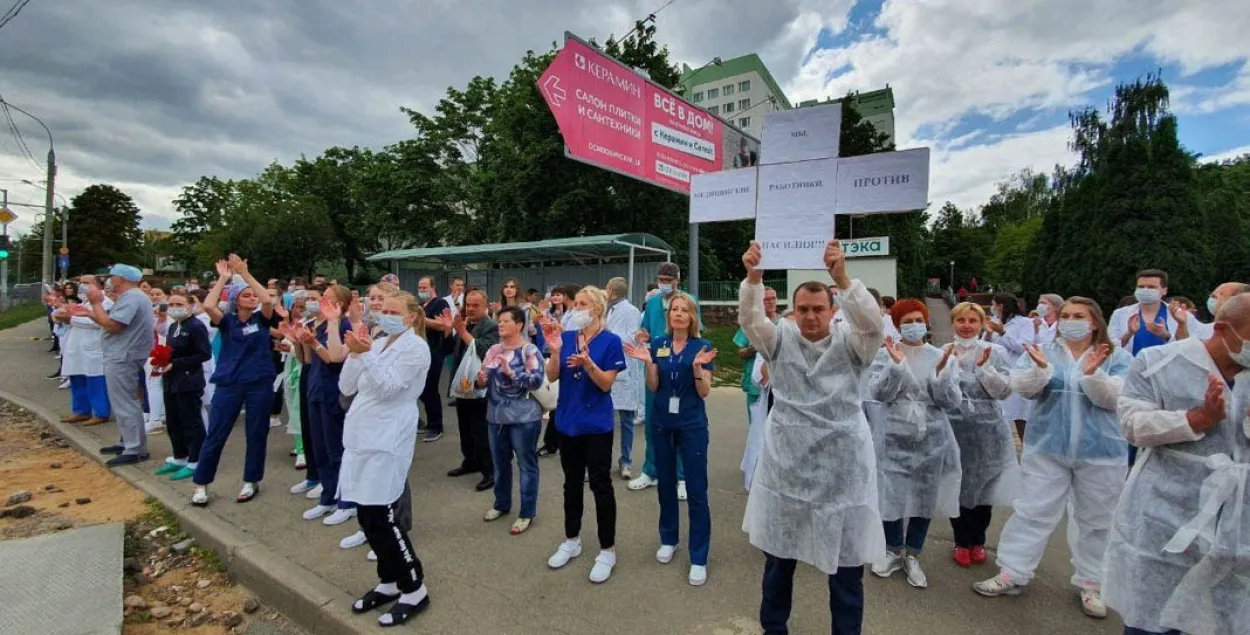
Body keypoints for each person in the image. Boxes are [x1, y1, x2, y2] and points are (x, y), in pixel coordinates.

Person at [738, 238, 884, 635]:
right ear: (793, 311)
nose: (810, 316)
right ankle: (774, 629)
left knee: (846, 572)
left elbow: (874, 326)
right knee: (778, 565)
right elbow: (751, 321)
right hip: (788, 472)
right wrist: (753, 279)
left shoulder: (854, 345)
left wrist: (843, 278)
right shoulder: (779, 340)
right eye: (802, 309)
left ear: (833, 310)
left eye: (819, 309)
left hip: (843, 475)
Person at [973, 297, 1132, 619]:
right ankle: (1013, 572)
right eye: (1066, 315)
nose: (1071, 321)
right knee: (1032, 511)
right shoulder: (1044, 351)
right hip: (1047, 447)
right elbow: (1022, 388)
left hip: (1100, 451)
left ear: (1095, 322)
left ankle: (1092, 583)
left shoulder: (1116, 357)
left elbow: (1117, 397)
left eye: (1079, 316)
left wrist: (1093, 374)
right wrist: (1041, 371)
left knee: (1097, 519)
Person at [1103, 292, 1250, 635]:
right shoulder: (1158, 362)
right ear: (1225, 329)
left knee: (1228, 616)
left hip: (1239, 521)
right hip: (1166, 512)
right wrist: (1198, 418)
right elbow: (1134, 425)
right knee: (1154, 617)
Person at [339, 291, 432, 627]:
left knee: (383, 515)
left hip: (388, 439)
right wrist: (355, 353)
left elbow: (391, 389)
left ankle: (413, 586)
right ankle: (388, 580)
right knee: (366, 515)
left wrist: (365, 358)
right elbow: (348, 386)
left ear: (410, 316)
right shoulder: (377, 344)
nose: (386, 315)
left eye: (394, 311)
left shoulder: (416, 348)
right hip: (362, 437)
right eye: (383, 309)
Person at [867, 299, 963, 589]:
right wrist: (895, 366)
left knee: (924, 497)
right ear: (897, 325)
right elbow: (878, 393)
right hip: (893, 435)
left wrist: (942, 374)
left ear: (926, 321)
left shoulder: (941, 355)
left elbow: (950, 401)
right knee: (890, 494)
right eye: (906, 321)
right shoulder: (886, 354)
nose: (913, 326)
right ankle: (893, 549)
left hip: (931, 438)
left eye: (917, 319)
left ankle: (913, 554)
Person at [624, 292, 717, 586]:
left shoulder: (702, 346)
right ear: (668, 316)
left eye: (684, 310)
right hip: (663, 423)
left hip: (691, 425)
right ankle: (669, 539)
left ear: (692, 316)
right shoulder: (659, 344)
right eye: (674, 309)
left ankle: (699, 556)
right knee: (664, 484)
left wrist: (697, 369)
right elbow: (654, 385)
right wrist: (649, 364)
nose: (678, 314)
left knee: (697, 490)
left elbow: (704, 393)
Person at [542, 286, 626, 584]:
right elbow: (552, 376)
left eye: (583, 304)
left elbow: (605, 385)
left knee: (601, 485)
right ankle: (572, 539)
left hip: (596, 425)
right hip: (568, 421)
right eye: (574, 303)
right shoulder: (565, 338)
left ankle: (607, 549)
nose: (575, 308)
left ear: (598, 309)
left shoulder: (611, 342)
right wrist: (554, 351)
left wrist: (589, 363)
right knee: (571, 483)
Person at [191, 256, 278, 504]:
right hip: (230, 384)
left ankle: (251, 480)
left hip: (259, 383)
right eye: (246, 295)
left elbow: (267, 299)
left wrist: (246, 274)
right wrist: (224, 278)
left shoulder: (261, 320)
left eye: (253, 295)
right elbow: (208, 306)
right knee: (216, 433)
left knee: (256, 433)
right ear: (235, 300)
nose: (252, 298)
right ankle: (201, 483)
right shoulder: (227, 321)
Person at [946, 302, 1020, 568]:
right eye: (961, 320)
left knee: (984, 488)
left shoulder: (995, 351)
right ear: (953, 323)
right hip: (955, 428)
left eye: (972, 321)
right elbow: (937, 389)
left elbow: (1004, 391)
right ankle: (961, 540)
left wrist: (984, 369)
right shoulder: (943, 352)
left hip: (988, 429)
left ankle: (978, 540)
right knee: (959, 485)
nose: (966, 326)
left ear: (981, 324)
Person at [630, 263, 700, 500]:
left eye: (667, 280)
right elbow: (646, 329)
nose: (663, 284)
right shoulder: (651, 303)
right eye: (660, 279)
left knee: (680, 425)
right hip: (655, 367)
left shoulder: (688, 302)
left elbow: (697, 332)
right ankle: (652, 471)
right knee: (653, 423)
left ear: (677, 280)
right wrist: (642, 335)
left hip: (679, 369)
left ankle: (681, 477)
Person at [290, 285, 356, 525]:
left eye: (329, 300)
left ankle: (347, 501)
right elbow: (307, 360)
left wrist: (315, 343)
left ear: (342, 304)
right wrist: (300, 341)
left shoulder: (344, 326)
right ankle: (327, 497)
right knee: (319, 447)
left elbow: (333, 358)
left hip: (333, 391)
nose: (323, 303)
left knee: (336, 448)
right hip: (316, 388)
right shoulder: (316, 324)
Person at [475, 307, 544, 535]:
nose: (500, 325)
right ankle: (501, 504)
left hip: (524, 417)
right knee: (500, 463)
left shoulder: (529, 350)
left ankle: (526, 512)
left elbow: (536, 381)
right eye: (499, 321)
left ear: (520, 325)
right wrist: (481, 379)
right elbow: (483, 380)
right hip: (496, 416)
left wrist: (512, 373)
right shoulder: (494, 349)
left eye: (505, 321)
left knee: (526, 464)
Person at [87, 264, 156, 467]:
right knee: (121, 401)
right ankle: (127, 441)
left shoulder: (133, 297)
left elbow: (114, 325)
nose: (110, 280)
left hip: (124, 354)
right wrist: (92, 313)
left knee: (125, 402)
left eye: (113, 277)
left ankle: (135, 448)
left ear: (121, 279)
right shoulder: (132, 297)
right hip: (123, 353)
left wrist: (96, 304)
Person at [153, 290, 211, 481]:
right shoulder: (173, 326)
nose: (175, 308)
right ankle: (180, 456)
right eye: (172, 305)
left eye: (180, 304)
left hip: (189, 380)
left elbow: (203, 354)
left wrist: (177, 363)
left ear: (190, 306)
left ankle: (196, 459)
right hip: (172, 379)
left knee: (191, 420)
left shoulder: (196, 326)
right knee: (173, 420)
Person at [446, 289, 500, 491]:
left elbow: (486, 350)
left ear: (485, 306)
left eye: (475, 305)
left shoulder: (491, 326)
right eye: (467, 304)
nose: (470, 308)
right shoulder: (466, 323)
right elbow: (453, 350)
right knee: (465, 429)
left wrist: (462, 332)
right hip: (463, 387)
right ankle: (470, 461)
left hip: (480, 386)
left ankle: (490, 471)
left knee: (481, 432)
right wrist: (451, 330)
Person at [58, 276, 112, 426]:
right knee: (77, 378)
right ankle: (81, 411)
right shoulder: (84, 303)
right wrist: (65, 317)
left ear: (98, 285)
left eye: (87, 283)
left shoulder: (105, 302)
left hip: (93, 347)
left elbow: (98, 322)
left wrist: (72, 318)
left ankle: (101, 412)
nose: (82, 286)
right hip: (77, 346)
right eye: (81, 283)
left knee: (95, 380)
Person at [604, 277, 643, 479]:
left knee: (626, 421)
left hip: (624, 370)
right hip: (607, 371)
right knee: (604, 421)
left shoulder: (632, 311)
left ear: (611, 290)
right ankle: (602, 462)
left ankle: (625, 461)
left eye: (606, 288)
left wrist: (607, 336)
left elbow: (631, 339)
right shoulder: (606, 309)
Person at [538, 284, 576, 457]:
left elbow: (570, 336)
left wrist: (560, 329)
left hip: (567, 358)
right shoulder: (555, 313)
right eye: (554, 295)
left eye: (560, 295)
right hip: (552, 354)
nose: (556, 298)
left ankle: (555, 442)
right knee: (556, 399)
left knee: (560, 401)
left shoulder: (574, 315)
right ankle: (552, 442)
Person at [734, 285, 779, 425]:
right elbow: (740, 353)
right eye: (766, 299)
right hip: (755, 385)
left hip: (778, 383)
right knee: (756, 425)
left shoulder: (784, 323)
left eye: (773, 298)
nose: (770, 302)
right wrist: (755, 348)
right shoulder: (750, 324)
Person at [1109, 269, 1181, 354]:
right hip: (1131, 366)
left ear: (1164, 290)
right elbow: (1109, 348)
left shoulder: (1178, 314)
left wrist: (1166, 336)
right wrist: (1129, 333)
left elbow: (1189, 347)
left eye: (1151, 287)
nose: (1145, 290)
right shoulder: (1119, 314)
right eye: (1141, 287)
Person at [417, 277, 451, 442]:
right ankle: (430, 422)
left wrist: (422, 319)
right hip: (420, 352)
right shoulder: (420, 305)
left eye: (424, 287)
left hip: (434, 351)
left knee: (430, 388)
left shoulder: (440, 304)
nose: (421, 290)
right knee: (420, 388)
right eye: (420, 287)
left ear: (433, 287)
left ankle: (436, 425)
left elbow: (443, 325)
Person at [1176, 281, 1250, 342]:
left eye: (1221, 294)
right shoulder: (1205, 328)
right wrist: (1181, 325)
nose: (1212, 296)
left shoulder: (1241, 333)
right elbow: (1186, 348)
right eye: (1213, 293)